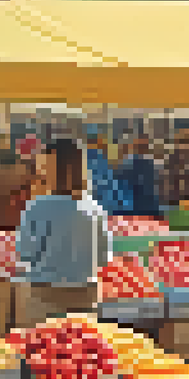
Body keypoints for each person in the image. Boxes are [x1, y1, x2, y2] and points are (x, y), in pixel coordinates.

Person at [14, 139, 112, 328]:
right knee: (82, 353)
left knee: (41, 351)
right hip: (85, 295)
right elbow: (102, 259)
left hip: (45, 296)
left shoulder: (37, 207)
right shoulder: (95, 209)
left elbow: (26, 253)